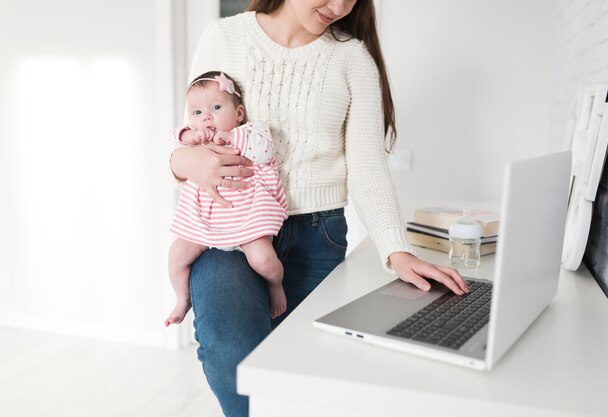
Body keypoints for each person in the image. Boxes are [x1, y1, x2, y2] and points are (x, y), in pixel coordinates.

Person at [169, 1, 470, 416]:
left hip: (318, 233)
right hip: (231, 230)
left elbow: (366, 165)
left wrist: (396, 248)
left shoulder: (352, 58)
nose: (341, 6)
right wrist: (180, 163)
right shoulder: (225, 38)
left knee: (303, 376)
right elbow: (191, 136)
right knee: (231, 349)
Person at [165, 71, 288, 327]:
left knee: (264, 259)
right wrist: (190, 137)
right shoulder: (194, 141)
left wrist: (233, 138)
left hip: (247, 219)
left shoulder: (251, 133)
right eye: (197, 112)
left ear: (239, 114)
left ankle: (275, 285)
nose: (206, 117)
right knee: (176, 254)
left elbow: (266, 152)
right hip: (204, 221)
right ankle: (182, 298)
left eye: (216, 108)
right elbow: (176, 143)